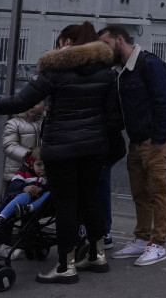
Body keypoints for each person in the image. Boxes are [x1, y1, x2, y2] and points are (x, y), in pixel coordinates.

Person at [0, 34, 122, 283]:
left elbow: (18, 102)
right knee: (91, 200)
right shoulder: (106, 74)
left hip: (61, 151)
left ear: (65, 51)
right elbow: (114, 119)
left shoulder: (54, 73)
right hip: (95, 149)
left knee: (66, 205)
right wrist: (111, 149)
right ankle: (97, 256)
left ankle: (66, 266)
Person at [99, 24, 166, 267]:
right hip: (136, 141)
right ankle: (142, 239)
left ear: (119, 40)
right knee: (140, 193)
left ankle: (158, 244)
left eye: (105, 44)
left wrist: (158, 141)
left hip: (154, 141)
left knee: (158, 191)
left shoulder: (147, 64)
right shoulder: (121, 71)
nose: (103, 50)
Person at [56, 22, 115, 251]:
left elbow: (36, 93)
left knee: (79, 191)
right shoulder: (105, 70)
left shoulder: (65, 70)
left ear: (68, 42)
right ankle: (100, 238)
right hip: (100, 140)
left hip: (76, 140)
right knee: (97, 188)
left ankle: (74, 246)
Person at [0, 152, 51, 256]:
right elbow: (13, 185)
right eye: (39, 165)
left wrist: (41, 188)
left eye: (45, 164)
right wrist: (24, 187)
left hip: (35, 205)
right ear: (32, 164)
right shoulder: (24, 172)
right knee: (25, 196)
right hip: (19, 200)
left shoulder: (48, 175)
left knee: (50, 193)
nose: (43, 168)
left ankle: (29, 208)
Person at [1, 101, 45, 196]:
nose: (31, 106)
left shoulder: (46, 122)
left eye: (37, 103)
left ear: (45, 105)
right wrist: (30, 155)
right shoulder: (14, 123)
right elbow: (9, 145)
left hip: (41, 174)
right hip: (17, 174)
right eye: (27, 101)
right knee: (13, 204)